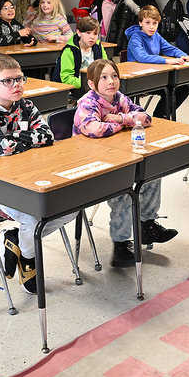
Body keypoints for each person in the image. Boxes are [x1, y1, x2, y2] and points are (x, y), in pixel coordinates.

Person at [0, 54, 74, 294]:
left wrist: (13, 141)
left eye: (19, 79)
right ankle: (29, 259)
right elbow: (0, 148)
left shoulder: (25, 105)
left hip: (28, 174)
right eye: (7, 81)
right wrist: (24, 141)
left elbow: (47, 136)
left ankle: (16, 239)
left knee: (74, 203)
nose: (16, 84)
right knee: (32, 217)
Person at [73, 59, 178, 267]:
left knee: (151, 173)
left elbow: (146, 117)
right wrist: (123, 123)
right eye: (103, 77)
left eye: (114, 76)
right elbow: (94, 129)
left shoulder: (119, 98)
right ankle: (120, 247)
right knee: (122, 189)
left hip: (117, 155)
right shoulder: (87, 103)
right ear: (92, 84)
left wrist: (120, 119)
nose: (111, 81)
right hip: (91, 164)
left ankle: (146, 225)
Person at [125, 5, 189, 118]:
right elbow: (142, 57)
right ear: (140, 23)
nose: (151, 27)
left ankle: (160, 116)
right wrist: (167, 61)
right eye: (147, 23)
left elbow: (169, 48)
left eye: (155, 23)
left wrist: (182, 55)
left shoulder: (156, 36)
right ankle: (160, 117)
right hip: (137, 80)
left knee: (182, 89)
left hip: (153, 77)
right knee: (169, 91)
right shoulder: (135, 37)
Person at [57, 16, 108, 100]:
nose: (92, 37)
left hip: (97, 84)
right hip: (78, 87)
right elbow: (66, 78)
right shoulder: (69, 51)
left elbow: (106, 67)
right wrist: (86, 83)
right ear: (79, 33)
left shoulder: (99, 47)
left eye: (95, 34)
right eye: (88, 33)